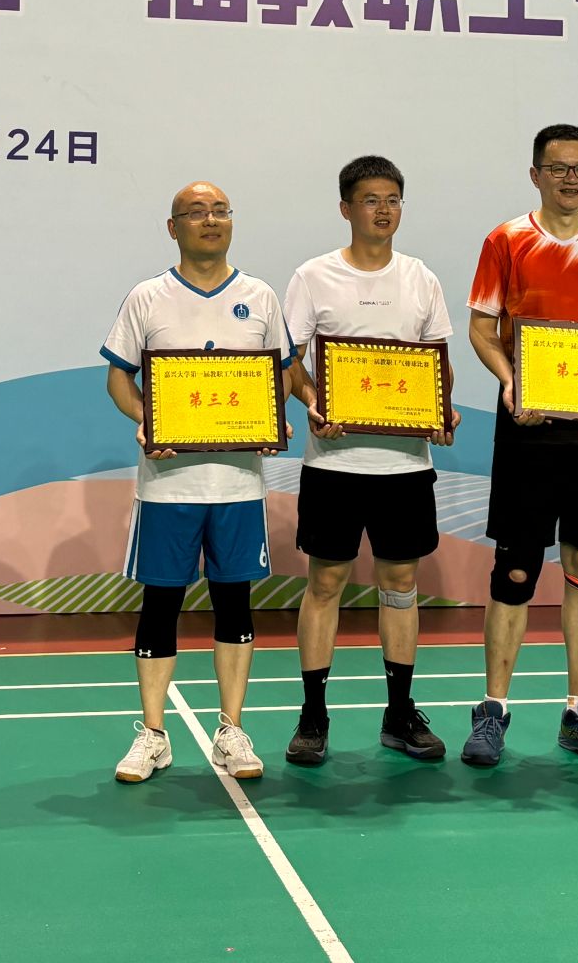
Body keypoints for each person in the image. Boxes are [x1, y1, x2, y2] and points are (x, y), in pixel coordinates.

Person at [461, 124, 578, 768]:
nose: (571, 178)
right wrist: (511, 380)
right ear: (535, 174)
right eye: (558, 167)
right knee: (515, 571)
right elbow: (481, 328)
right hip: (528, 428)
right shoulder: (506, 239)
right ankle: (492, 711)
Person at [101, 181, 293, 783]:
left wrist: (270, 418)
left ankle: (231, 731)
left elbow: (281, 376)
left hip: (238, 484)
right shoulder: (147, 297)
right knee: (161, 604)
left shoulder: (260, 295)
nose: (210, 221)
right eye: (196, 212)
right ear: (173, 226)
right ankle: (153, 734)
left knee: (234, 603)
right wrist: (147, 419)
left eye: (220, 211)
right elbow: (119, 380)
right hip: (167, 485)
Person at [283, 154, 460, 766]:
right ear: (345, 208)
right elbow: (290, 361)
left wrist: (441, 412)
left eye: (392, 200)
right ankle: (313, 715)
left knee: (401, 585)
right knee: (325, 584)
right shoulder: (313, 276)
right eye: (370, 200)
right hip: (333, 465)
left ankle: (399, 713)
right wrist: (313, 401)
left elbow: (437, 364)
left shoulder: (421, 278)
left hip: (404, 467)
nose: (383, 210)